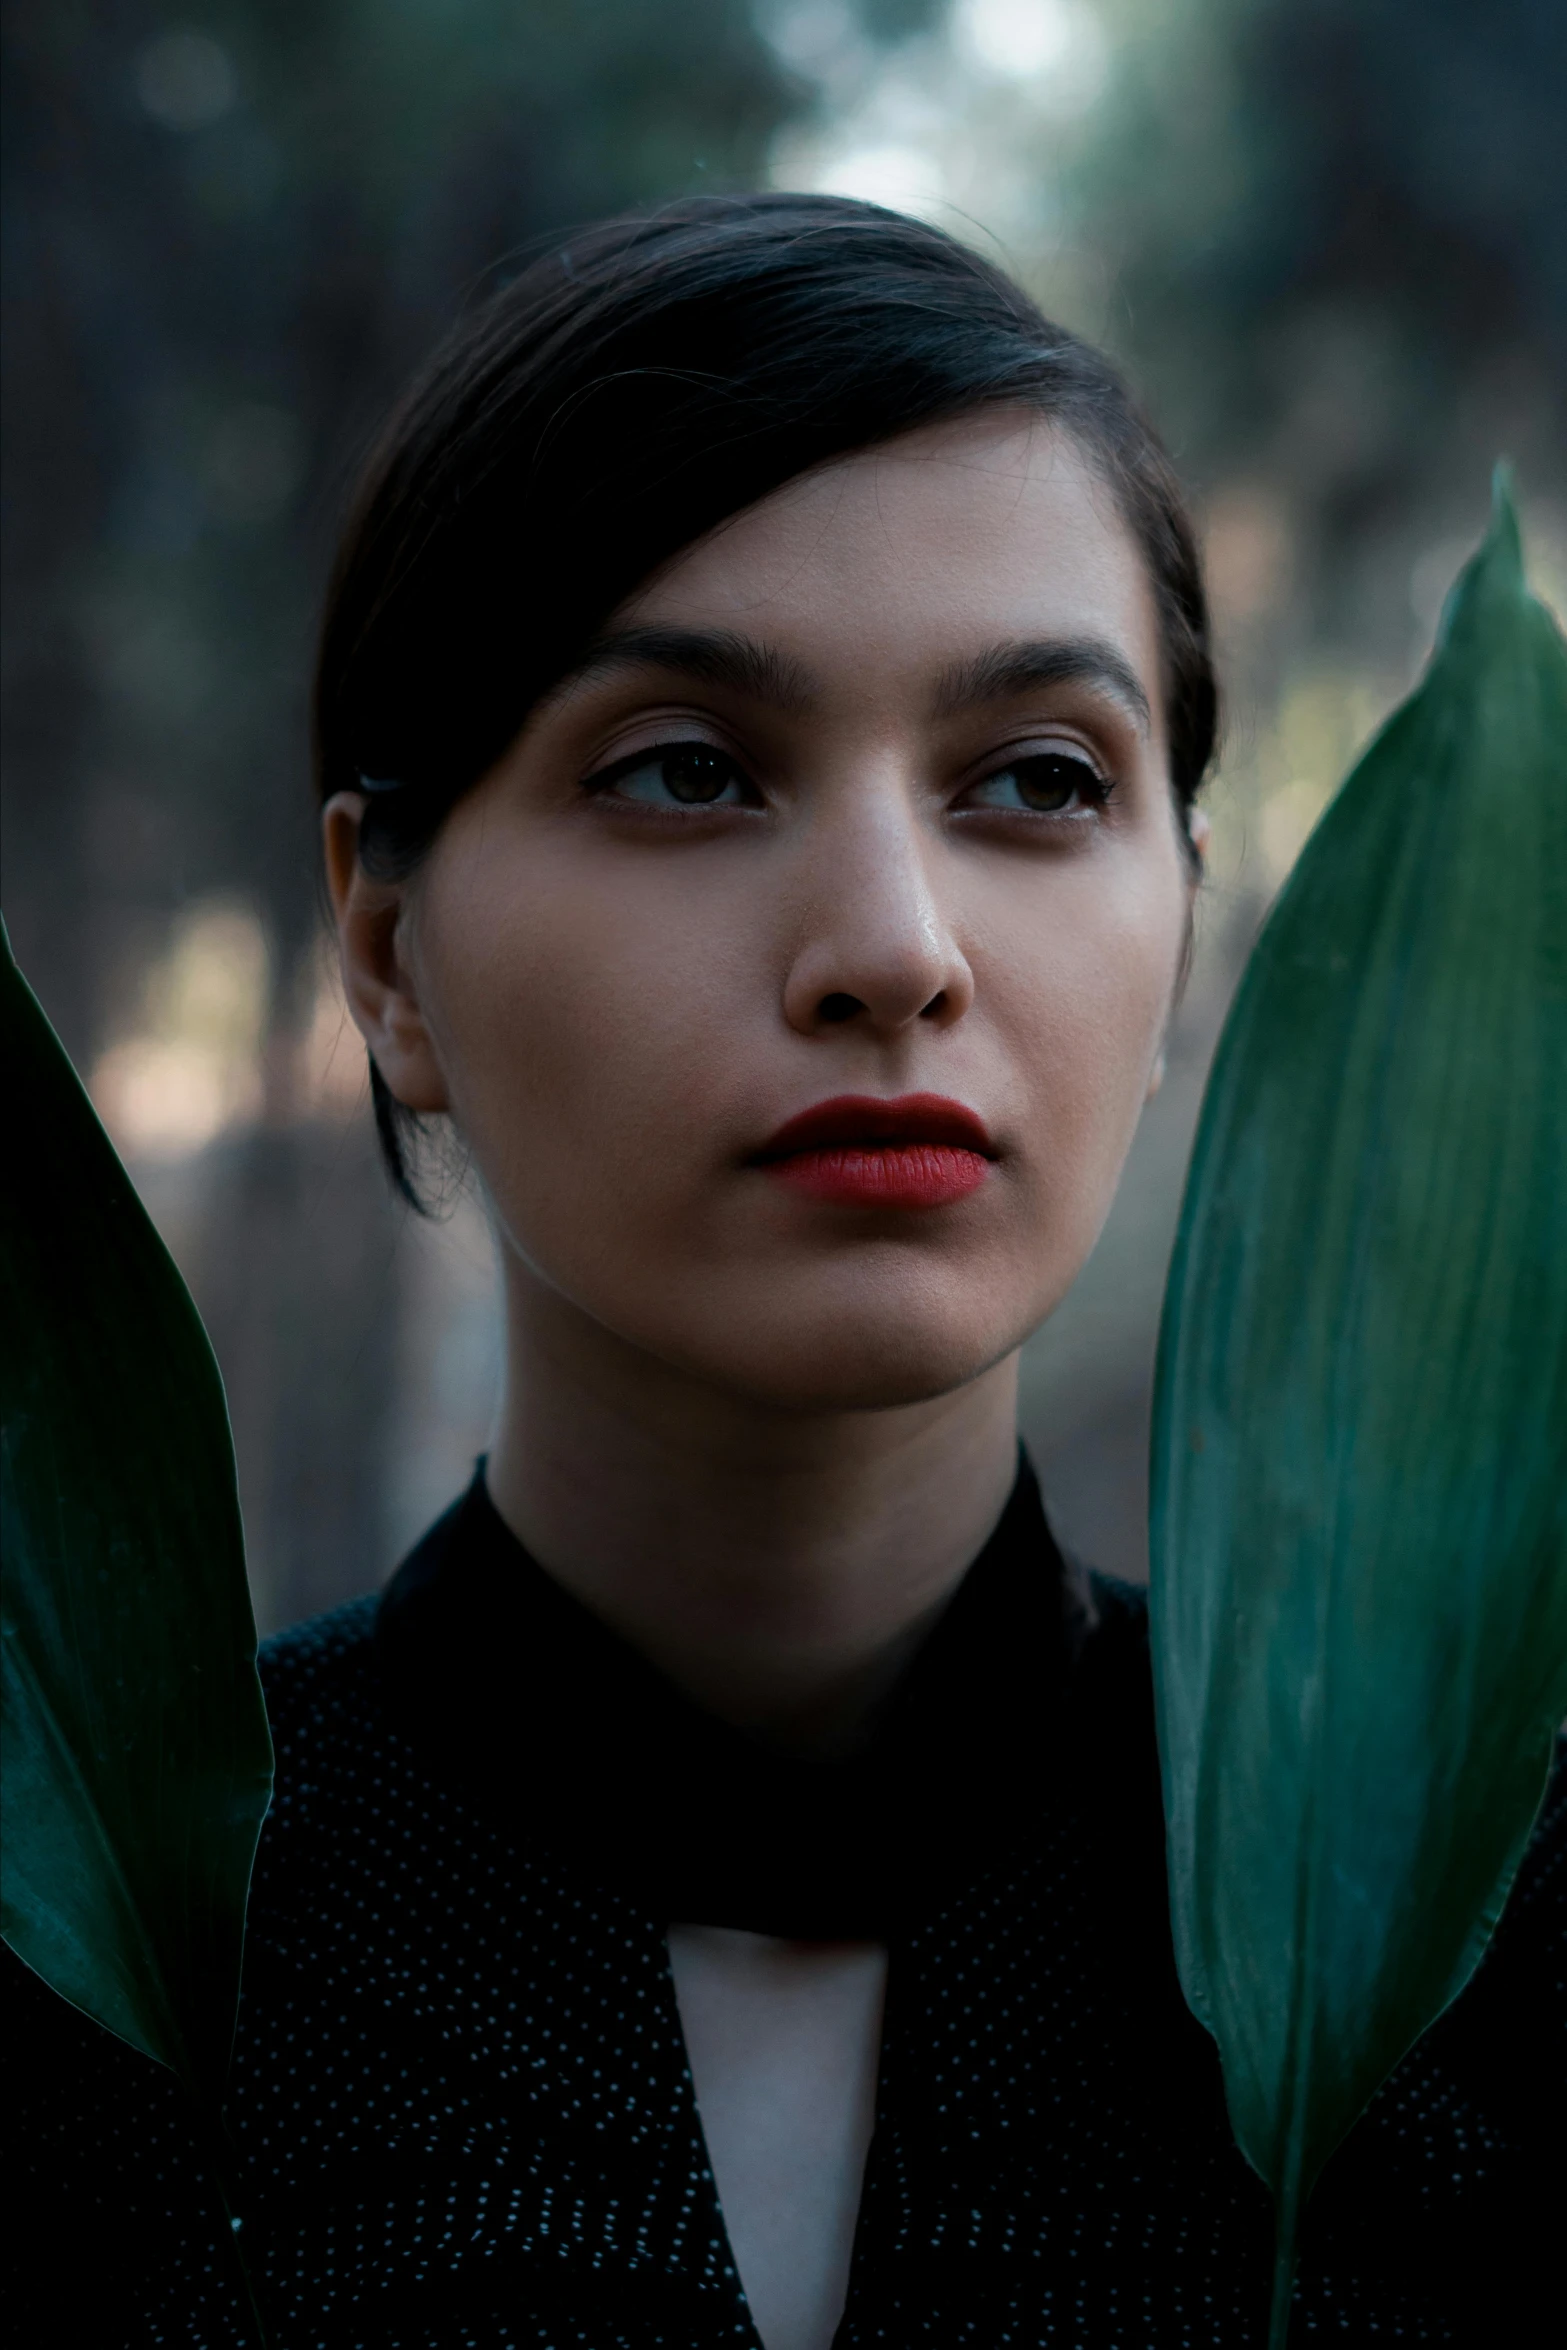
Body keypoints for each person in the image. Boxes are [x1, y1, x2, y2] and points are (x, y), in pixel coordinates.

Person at [5, 193, 1558, 2349]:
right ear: (384, 945)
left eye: (1035, 779)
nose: (896, 950)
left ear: (1183, 919)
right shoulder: (83, 1986)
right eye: (687, 771)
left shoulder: (1483, 1955)